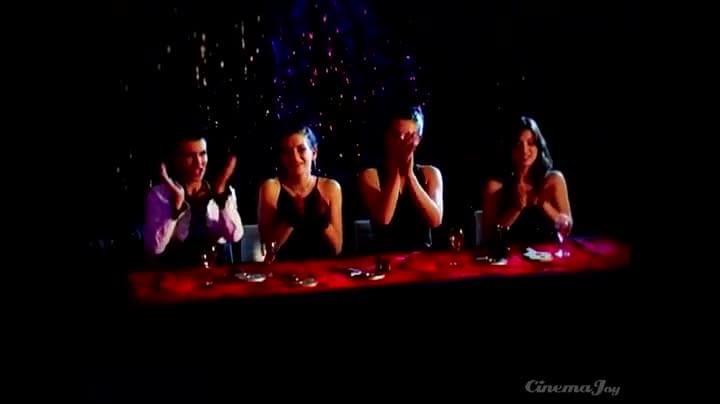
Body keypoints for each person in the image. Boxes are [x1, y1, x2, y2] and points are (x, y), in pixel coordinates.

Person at [143, 129, 244, 265]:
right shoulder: (159, 194)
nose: (199, 163)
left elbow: (235, 236)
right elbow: (155, 248)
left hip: (216, 269)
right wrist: (176, 208)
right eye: (190, 156)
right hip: (176, 272)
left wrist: (220, 197)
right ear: (177, 159)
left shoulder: (222, 191)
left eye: (202, 154)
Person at [358, 104, 443, 252]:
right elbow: (384, 218)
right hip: (385, 258)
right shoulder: (370, 175)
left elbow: (435, 220)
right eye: (396, 136)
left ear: (418, 139)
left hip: (422, 257)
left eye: (408, 137)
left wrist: (410, 175)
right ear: (387, 137)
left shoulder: (431, 173)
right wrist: (397, 170)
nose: (401, 142)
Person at [482, 116, 572, 244]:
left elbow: (567, 229)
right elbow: (489, 237)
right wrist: (516, 208)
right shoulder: (495, 186)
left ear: (539, 146)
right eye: (519, 144)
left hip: (548, 253)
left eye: (530, 143)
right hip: (510, 254)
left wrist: (544, 205)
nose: (524, 150)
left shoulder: (554, 180)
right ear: (509, 148)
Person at [257, 124, 343, 260]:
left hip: (322, 268)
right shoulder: (271, 187)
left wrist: (321, 220)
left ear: (314, 153)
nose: (295, 157)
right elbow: (268, 249)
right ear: (282, 157)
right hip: (284, 270)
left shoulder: (331, 188)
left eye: (301, 149)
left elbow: (337, 248)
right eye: (287, 152)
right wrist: (291, 218)